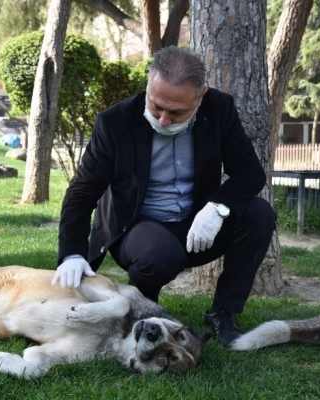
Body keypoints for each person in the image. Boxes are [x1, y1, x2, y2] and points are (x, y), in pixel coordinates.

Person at [52, 46, 276, 348]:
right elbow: (82, 192)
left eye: (177, 112)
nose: (163, 119)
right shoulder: (115, 121)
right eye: (156, 106)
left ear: (201, 97)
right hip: (139, 229)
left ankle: (224, 311)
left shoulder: (219, 109)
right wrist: (72, 254)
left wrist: (217, 208)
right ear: (148, 86)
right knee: (159, 255)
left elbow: (251, 173)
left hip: (197, 226)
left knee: (260, 215)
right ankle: (141, 309)